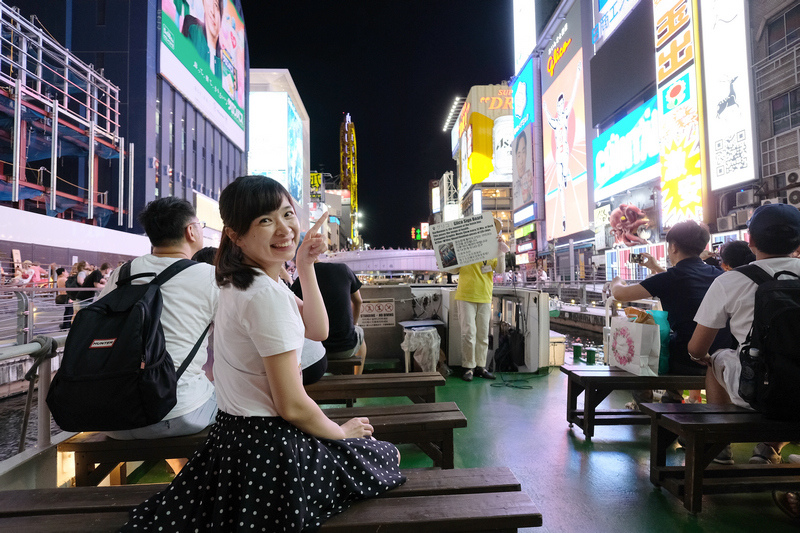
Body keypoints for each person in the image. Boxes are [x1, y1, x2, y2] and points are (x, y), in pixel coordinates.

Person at [119, 176, 404, 531]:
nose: (284, 228)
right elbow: (292, 405)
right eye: (265, 221)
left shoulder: (246, 281)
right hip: (270, 451)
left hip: (233, 442)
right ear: (236, 235)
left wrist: (305, 266)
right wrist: (340, 431)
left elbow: (318, 331)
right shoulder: (265, 295)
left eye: (287, 214)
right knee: (385, 455)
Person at [100, 197, 218, 474]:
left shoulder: (122, 273)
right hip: (178, 415)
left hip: (113, 418)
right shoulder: (209, 276)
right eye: (199, 226)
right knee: (236, 397)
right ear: (191, 231)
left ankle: (182, 476)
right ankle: (211, 485)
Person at [688, 204, 800, 478]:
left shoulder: (732, 280)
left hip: (757, 390)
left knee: (715, 360)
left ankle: (720, 444)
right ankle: (768, 449)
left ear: (750, 240)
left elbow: (696, 347)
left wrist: (698, 356)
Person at [609, 220, 731, 402]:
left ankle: (644, 407)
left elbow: (620, 294)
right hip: (722, 357)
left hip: (688, 360)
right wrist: (655, 268)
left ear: (673, 247)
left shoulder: (669, 278)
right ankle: (671, 400)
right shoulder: (718, 275)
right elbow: (685, 279)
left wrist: (616, 280)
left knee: (635, 352)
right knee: (675, 341)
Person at [292, 254, 367, 377]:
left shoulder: (301, 280)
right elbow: (358, 301)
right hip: (345, 349)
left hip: (316, 351)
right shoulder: (343, 269)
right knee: (360, 337)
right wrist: (353, 324)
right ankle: (357, 378)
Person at [455, 219, 509, 381]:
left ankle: (480, 366)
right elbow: (453, 268)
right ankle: (468, 367)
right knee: (468, 332)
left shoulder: (493, 249)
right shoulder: (464, 245)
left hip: (485, 295)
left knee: (483, 333)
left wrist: (500, 250)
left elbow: (500, 269)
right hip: (466, 294)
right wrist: (443, 260)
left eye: (492, 229)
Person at [181, 0, 222, 78]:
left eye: (216, 6)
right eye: (209, 2)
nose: (212, 11)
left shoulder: (221, 56)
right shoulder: (192, 27)